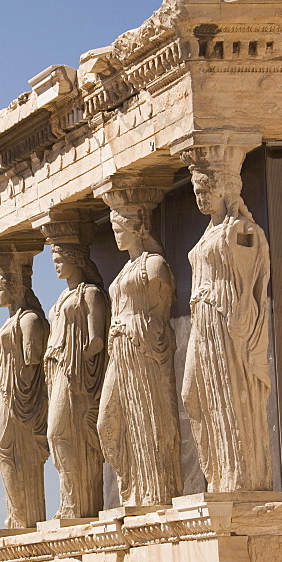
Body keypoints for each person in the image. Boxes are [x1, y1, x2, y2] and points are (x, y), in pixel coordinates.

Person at [183, 167, 272, 492]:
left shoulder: (241, 228)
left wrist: (241, 317)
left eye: (205, 189)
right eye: (196, 190)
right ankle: (218, 472)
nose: (200, 196)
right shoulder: (211, 232)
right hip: (203, 317)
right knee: (193, 395)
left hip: (225, 317)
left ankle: (238, 477)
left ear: (224, 189)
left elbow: (250, 278)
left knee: (230, 392)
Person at [97, 203, 182, 506]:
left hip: (143, 349)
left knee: (149, 418)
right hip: (120, 350)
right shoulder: (124, 271)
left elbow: (161, 312)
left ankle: (155, 490)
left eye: (120, 230)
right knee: (107, 422)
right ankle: (130, 484)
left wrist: (136, 331)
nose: (116, 236)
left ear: (137, 229)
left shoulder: (155, 265)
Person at [44, 243, 109, 518]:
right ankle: (70, 501)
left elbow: (96, 339)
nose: (56, 264)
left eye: (60, 259)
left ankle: (81, 504)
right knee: (58, 435)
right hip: (58, 371)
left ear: (75, 259)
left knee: (63, 433)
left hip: (76, 373)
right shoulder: (60, 298)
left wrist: (78, 360)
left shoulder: (90, 294)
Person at [0, 258, 49, 528]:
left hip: (17, 396)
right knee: (3, 452)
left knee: (6, 450)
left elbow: (32, 363)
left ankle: (25, 515)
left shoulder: (29, 320)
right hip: (3, 393)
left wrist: (10, 385)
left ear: (13, 287)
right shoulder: (12, 321)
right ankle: (18, 514)